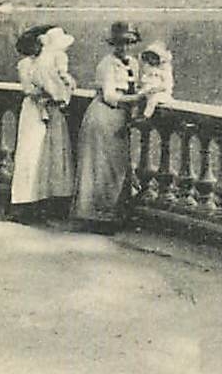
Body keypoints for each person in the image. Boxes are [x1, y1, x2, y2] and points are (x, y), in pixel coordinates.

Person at [72, 21, 144, 229]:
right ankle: (96, 217)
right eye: (120, 43)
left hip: (121, 119)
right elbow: (110, 95)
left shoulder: (134, 63)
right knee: (102, 167)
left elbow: (138, 85)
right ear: (113, 44)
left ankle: (114, 214)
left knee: (119, 169)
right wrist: (138, 98)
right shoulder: (106, 65)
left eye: (130, 43)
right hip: (104, 116)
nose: (125, 47)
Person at [9, 24, 77, 221]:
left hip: (49, 109)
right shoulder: (25, 64)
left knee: (48, 158)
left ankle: (45, 203)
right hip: (33, 110)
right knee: (29, 155)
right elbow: (28, 89)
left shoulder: (48, 61)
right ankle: (22, 204)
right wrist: (46, 94)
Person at [134, 41, 174, 119]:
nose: (151, 60)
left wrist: (156, 89)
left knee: (153, 99)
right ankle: (135, 114)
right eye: (149, 58)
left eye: (154, 58)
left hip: (161, 93)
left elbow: (167, 85)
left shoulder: (164, 71)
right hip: (149, 91)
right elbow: (144, 80)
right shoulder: (149, 69)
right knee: (139, 97)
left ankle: (146, 116)